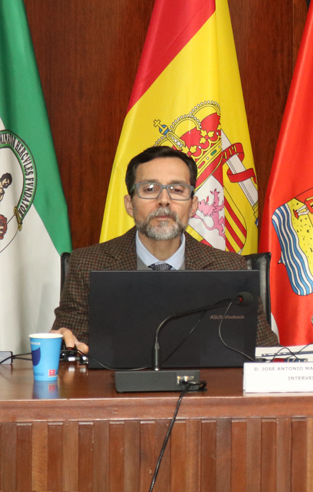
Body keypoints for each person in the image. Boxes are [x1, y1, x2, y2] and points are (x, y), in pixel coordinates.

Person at [51, 146, 278, 353]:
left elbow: (267, 353)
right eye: (150, 189)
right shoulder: (88, 265)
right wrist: (62, 344)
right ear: (129, 205)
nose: (164, 200)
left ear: (193, 206)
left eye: (177, 189)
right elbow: (68, 344)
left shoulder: (229, 268)